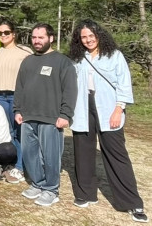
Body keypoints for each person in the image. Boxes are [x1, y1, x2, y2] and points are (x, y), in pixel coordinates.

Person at [68, 20, 147, 222]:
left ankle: (132, 203)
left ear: (99, 35)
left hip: (109, 108)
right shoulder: (77, 58)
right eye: (83, 37)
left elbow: (124, 84)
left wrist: (118, 109)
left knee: (116, 155)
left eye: (91, 36)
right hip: (83, 108)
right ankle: (85, 194)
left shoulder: (114, 55)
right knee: (83, 152)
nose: (88, 40)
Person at [15, 23, 77, 207]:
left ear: (51, 38)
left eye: (41, 37)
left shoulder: (62, 61)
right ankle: (37, 183)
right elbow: (19, 87)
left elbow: (70, 91)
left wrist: (65, 114)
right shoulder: (28, 61)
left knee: (51, 156)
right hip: (27, 117)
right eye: (34, 37)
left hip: (51, 118)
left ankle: (51, 189)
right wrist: (17, 110)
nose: (37, 41)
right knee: (29, 154)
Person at [0, 18, 32, 183]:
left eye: (6, 32)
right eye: (0, 33)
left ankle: (20, 166)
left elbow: (31, 74)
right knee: (6, 133)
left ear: (13, 34)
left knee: (19, 132)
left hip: (16, 96)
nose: (3, 35)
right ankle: (9, 163)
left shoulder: (24, 52)